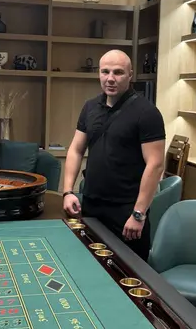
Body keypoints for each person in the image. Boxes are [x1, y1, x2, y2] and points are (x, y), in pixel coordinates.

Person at [62, 49, 166, 260]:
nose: (110, 78)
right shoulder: (90, 107)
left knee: (128, 273)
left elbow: (155, 165)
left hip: (127, 211)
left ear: (130, 75)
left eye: (118, 72)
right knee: (89, 266)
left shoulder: (147, 112)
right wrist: (67, 191)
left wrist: (139, 214)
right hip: (91, 206)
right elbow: (76, 149)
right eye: (105, 72)